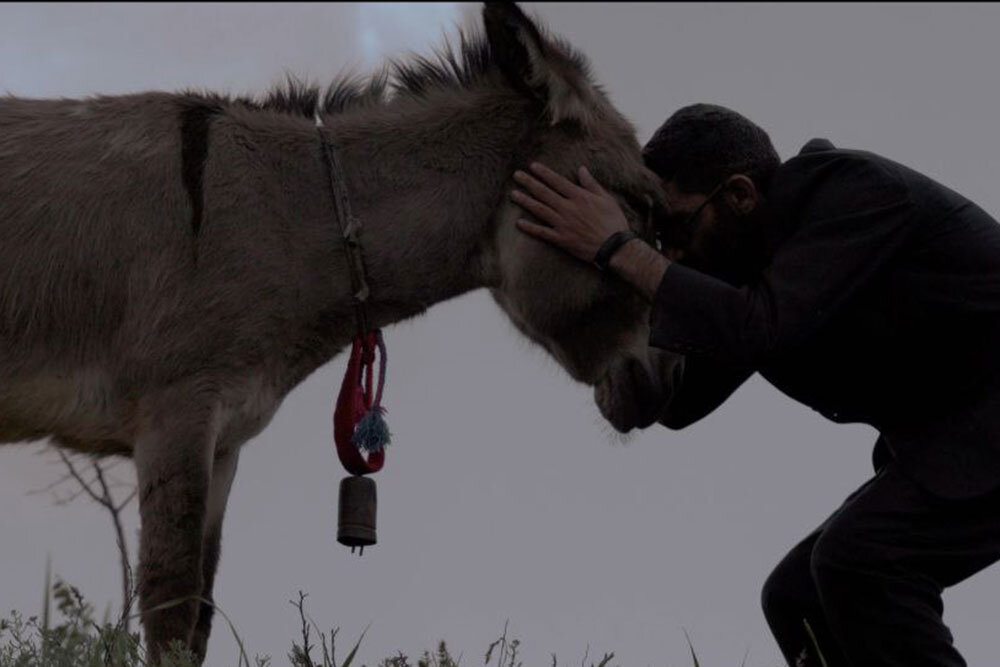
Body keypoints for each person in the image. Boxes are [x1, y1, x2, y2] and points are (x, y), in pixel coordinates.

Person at [509, 103, 1000, 667]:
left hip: (982, 432)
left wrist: (620, 249)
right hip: (962, 442)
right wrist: (606, 340)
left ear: (739, 195)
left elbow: (757, 326)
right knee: (795, 597)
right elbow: (682, 401)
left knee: (860, 560)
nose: (671, 253)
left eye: (676, 229)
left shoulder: (852, 195)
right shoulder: (753, 273)